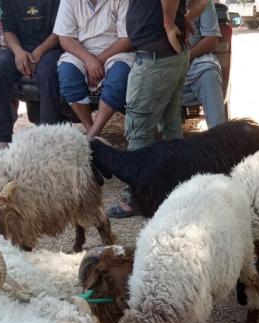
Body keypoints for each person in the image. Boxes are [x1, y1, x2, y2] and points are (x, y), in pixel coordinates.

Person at [108, 0, 207, 218]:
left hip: (155, 58)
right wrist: (184, 19)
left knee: (138, 130)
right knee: (171, 128)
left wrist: (170, 23)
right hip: (171, 56)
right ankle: (178, 190)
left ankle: (137, 199)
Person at [0, 0, 62, 151]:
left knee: (47, 74)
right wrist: (18, 52)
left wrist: (39, 52)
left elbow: (60, 31)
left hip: (50, 47)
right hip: (21, 49)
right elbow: (8, 31)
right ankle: (3, 138)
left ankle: (49, 139)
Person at [54, 0, 133, 139]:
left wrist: (97, 62)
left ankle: (92, 135)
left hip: (115, 51)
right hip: (81, 52)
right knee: (67, 74)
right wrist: (88, 60)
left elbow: (126, 39)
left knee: (119, 77)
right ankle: (90, 129)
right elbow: (65, 38)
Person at [182, 0, 225, 129]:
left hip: (195, 60)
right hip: (161, 63)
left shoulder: (203, 2)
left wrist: (185, 57)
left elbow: (211, 39)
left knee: (210, 74)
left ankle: (219, 137)